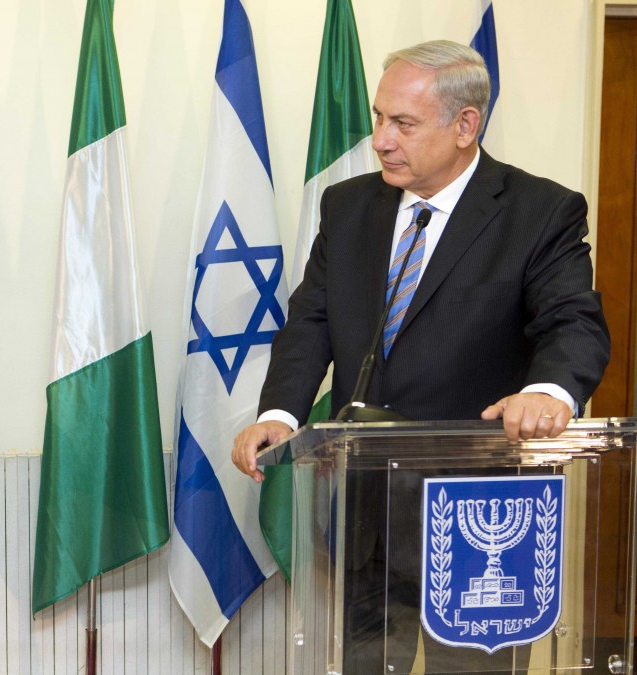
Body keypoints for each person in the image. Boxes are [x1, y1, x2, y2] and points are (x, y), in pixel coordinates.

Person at [231, 40, 610, 673]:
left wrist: (550, 391)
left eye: (401, 123)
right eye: (379, 118)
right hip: (363, 511)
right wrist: (281, 413)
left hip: (476, 521)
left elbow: (572, 320)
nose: (380, 139)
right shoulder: (349, 207)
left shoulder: (539, 212)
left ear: (466, 125)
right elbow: (312, 320)